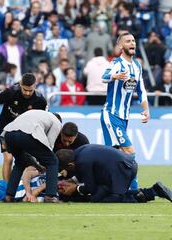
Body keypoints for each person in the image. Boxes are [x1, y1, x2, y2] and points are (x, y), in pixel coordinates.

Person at [100, 32, 150, 190]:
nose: (132, 43)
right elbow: (104, 77)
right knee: (129, 151)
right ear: (120, 46)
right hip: (111, 114)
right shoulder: (117, 63)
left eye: (133, 40)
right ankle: (133, 189)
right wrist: (115, 76)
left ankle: (108, 187)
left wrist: (146, 110)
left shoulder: (137, 66)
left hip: (124, 117)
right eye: (128, 41)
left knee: (113, 155)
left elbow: (141, 90)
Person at [56, 144, 172, 203]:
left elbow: (90, 187)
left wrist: (75, 189)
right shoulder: (79, 152)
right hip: (125, 166)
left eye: (64, 169)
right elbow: (87, 175)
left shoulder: (82, 162)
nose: (64, 172)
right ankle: (151, 191)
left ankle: (145, 194)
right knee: (99, 194)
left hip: (123, 170)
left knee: (107, 198)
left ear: (70, 165)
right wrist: (73, 181)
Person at [0, 73, 47, 180]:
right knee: (8, 158)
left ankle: (21, 186)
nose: (28, 93)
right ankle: (6, 187)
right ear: (20, 85)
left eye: (30, 90)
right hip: (6, 128)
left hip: (25, 130)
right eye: (25, 90)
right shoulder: (10, 92)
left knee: (26, 159)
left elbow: (44, 119)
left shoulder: (40, 100)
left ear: (35, 86)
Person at [1, 110, 62, 203]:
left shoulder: (38, 114)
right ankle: (50, 196)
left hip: (8, 134)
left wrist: (37, 165)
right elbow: (49, 147)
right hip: (27, 134)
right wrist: (45, 165)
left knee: (19, 163)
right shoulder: (57, 123)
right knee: (53, 161)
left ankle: (9, 196)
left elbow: (31, 154)